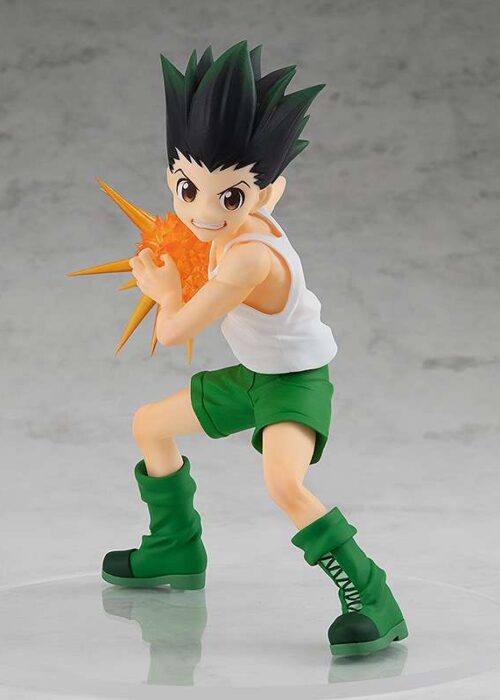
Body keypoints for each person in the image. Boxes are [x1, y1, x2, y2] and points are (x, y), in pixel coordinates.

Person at [101, 40, 408, 656]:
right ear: (170, 177)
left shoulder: (248, 258)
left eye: (230, 196)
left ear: (269, 194)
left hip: (294, 385)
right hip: (253, 377)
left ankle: (374, 599)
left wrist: (165, 291)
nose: (203, 211)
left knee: (284, 486)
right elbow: (195, 250)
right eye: (187, 187)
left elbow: (174, 331)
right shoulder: (224, 232)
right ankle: (174, 549)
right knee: (149, 426)